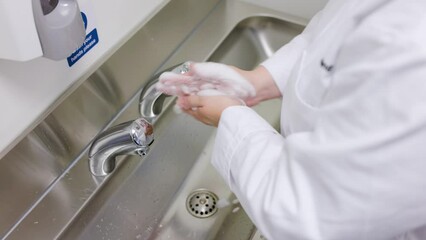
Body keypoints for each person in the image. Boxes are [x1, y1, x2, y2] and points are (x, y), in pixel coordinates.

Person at [157, 0, 426, 239]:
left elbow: (309, 213)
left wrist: (230, 115)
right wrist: (259, 81)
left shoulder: (413, 41)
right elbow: (332, 32)